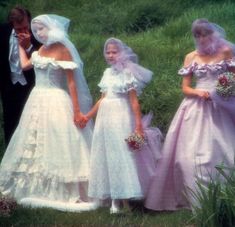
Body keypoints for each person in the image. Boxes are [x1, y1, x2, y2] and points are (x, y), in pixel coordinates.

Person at [0, 14, 95, 212]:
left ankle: (65, 185)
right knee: (32, 139)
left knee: (59, 138)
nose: (38, 33)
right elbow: (26, 65)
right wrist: (21, 45)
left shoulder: (63, 50)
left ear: (53, 28)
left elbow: (71, 83)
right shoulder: (42, 49)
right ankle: (35, 184)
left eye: (41, 29)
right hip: (37, 99)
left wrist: (77, 111)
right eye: (36, 30)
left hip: (56, 99)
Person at [145, 18, 235, 211]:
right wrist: (199, 92)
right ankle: (195, 197)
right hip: (196, 106)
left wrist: (224, 90)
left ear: (214, 33)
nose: (202, 38)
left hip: (220, 105)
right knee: (188, 156)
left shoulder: (226, 52)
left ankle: (223, 195)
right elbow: (185, 88)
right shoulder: (191, 57)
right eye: (198, 35)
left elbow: (233, 78)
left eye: (206, 34)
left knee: (222, 151)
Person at [86, 37, 161, 214]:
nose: (111, 55)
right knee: (108, 153)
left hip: (121, 115)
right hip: (106, 117)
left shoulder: (127, 73)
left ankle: (126, 198)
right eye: (108, 52)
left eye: (114, 52)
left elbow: (134, 102)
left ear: (122, 53)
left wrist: (138, 126)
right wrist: (88, 116)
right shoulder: (106, 73)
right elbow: (103, 98)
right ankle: (114, 198)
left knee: (122, 153)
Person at [0, 6, 41, 146]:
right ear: (12, 24)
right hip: (8, 83)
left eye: (25, 27)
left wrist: (28, 46)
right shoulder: (2, 31)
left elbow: (42, 58)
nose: (23, 31)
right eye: (18, 29)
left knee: (30, 119)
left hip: (30, 83)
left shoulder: (37, 33)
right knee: (10, 119)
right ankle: (10, 152)